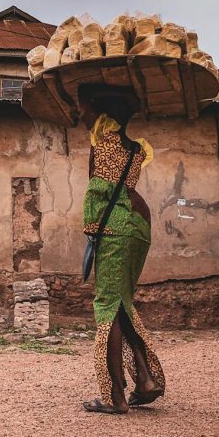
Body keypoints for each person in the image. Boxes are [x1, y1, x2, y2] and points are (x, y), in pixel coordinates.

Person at [79, 86, 166, 414]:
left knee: (107, 305)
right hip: (138, 230)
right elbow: (125, 187)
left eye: (85, 107)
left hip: (113, 229)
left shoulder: (104, 145)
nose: (81, 114)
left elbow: (97, 191)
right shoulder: (134, 149)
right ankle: (144, 380)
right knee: (121, 303)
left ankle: (115, 396)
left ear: (100, 111)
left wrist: (90, 233)